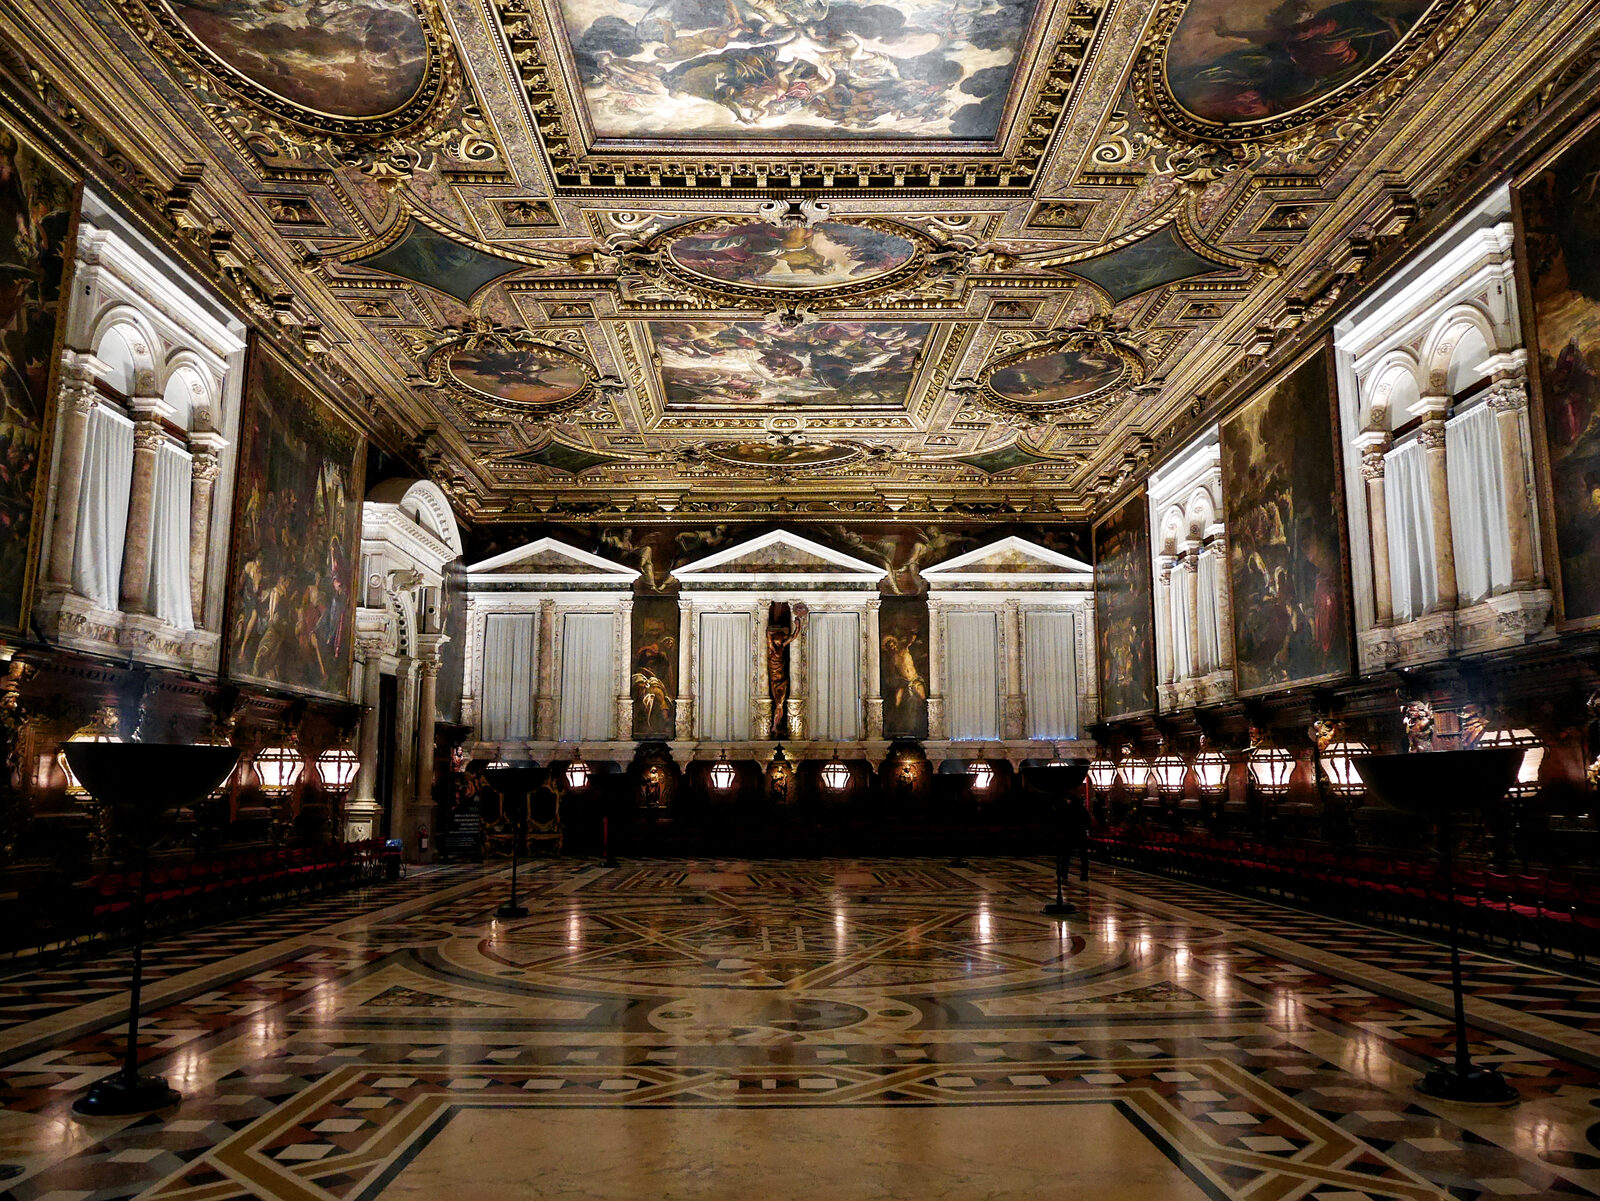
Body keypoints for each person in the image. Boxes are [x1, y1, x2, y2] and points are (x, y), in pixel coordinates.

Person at [1063, 793, 1091, 882]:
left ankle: (1064, 872)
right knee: (1083, 856)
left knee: (1067, 855)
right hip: (1080, 834)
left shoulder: (1068, 809)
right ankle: (1084, 875)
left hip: (1070, 834)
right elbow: (1088, 821)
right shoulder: (1082, 810)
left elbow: (1064, 821)